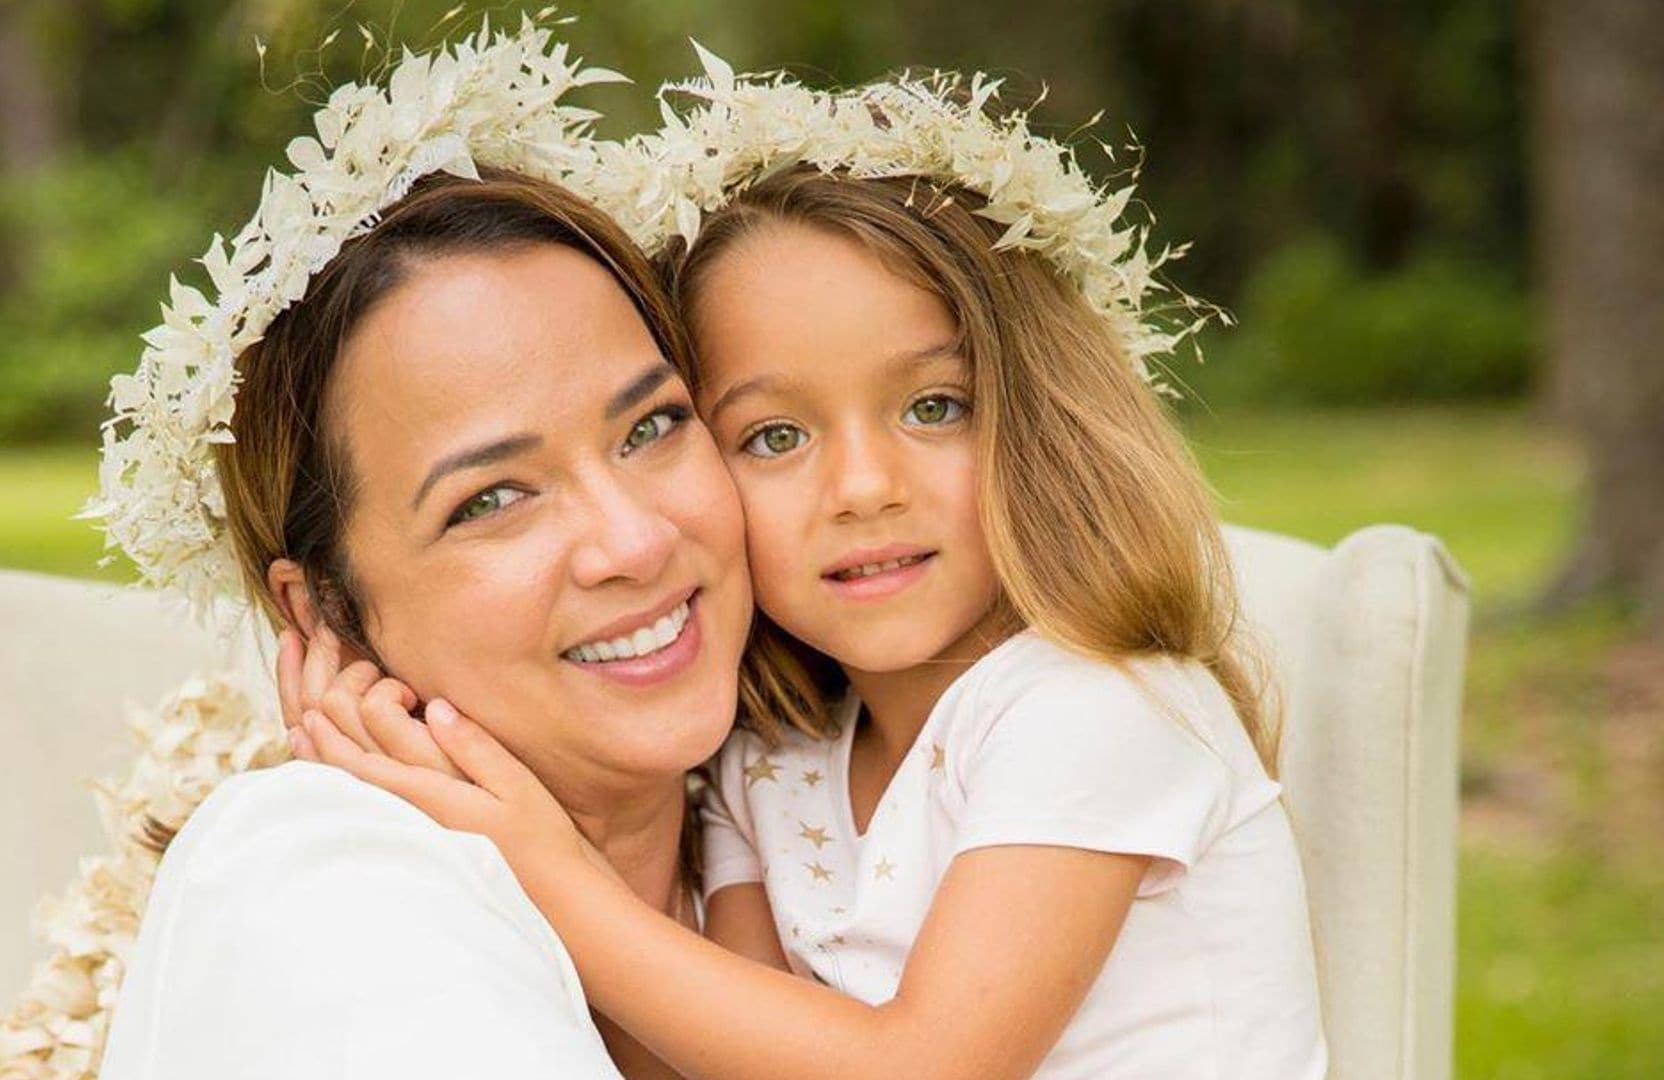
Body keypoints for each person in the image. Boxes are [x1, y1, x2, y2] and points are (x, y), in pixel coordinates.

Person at [296, 68, 1327, 1079]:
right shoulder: (770, 767)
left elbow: (929, 1068)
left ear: (1043, 421)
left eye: (934, 407)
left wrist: (546, 876)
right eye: (775, 435)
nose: (862, 488)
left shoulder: (1097, 711)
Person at [93, 25, 751, 1080]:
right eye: (491, 498)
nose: (633, 542)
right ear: (326, 614)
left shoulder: (821, 804)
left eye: (650, 428)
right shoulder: (326, 890)